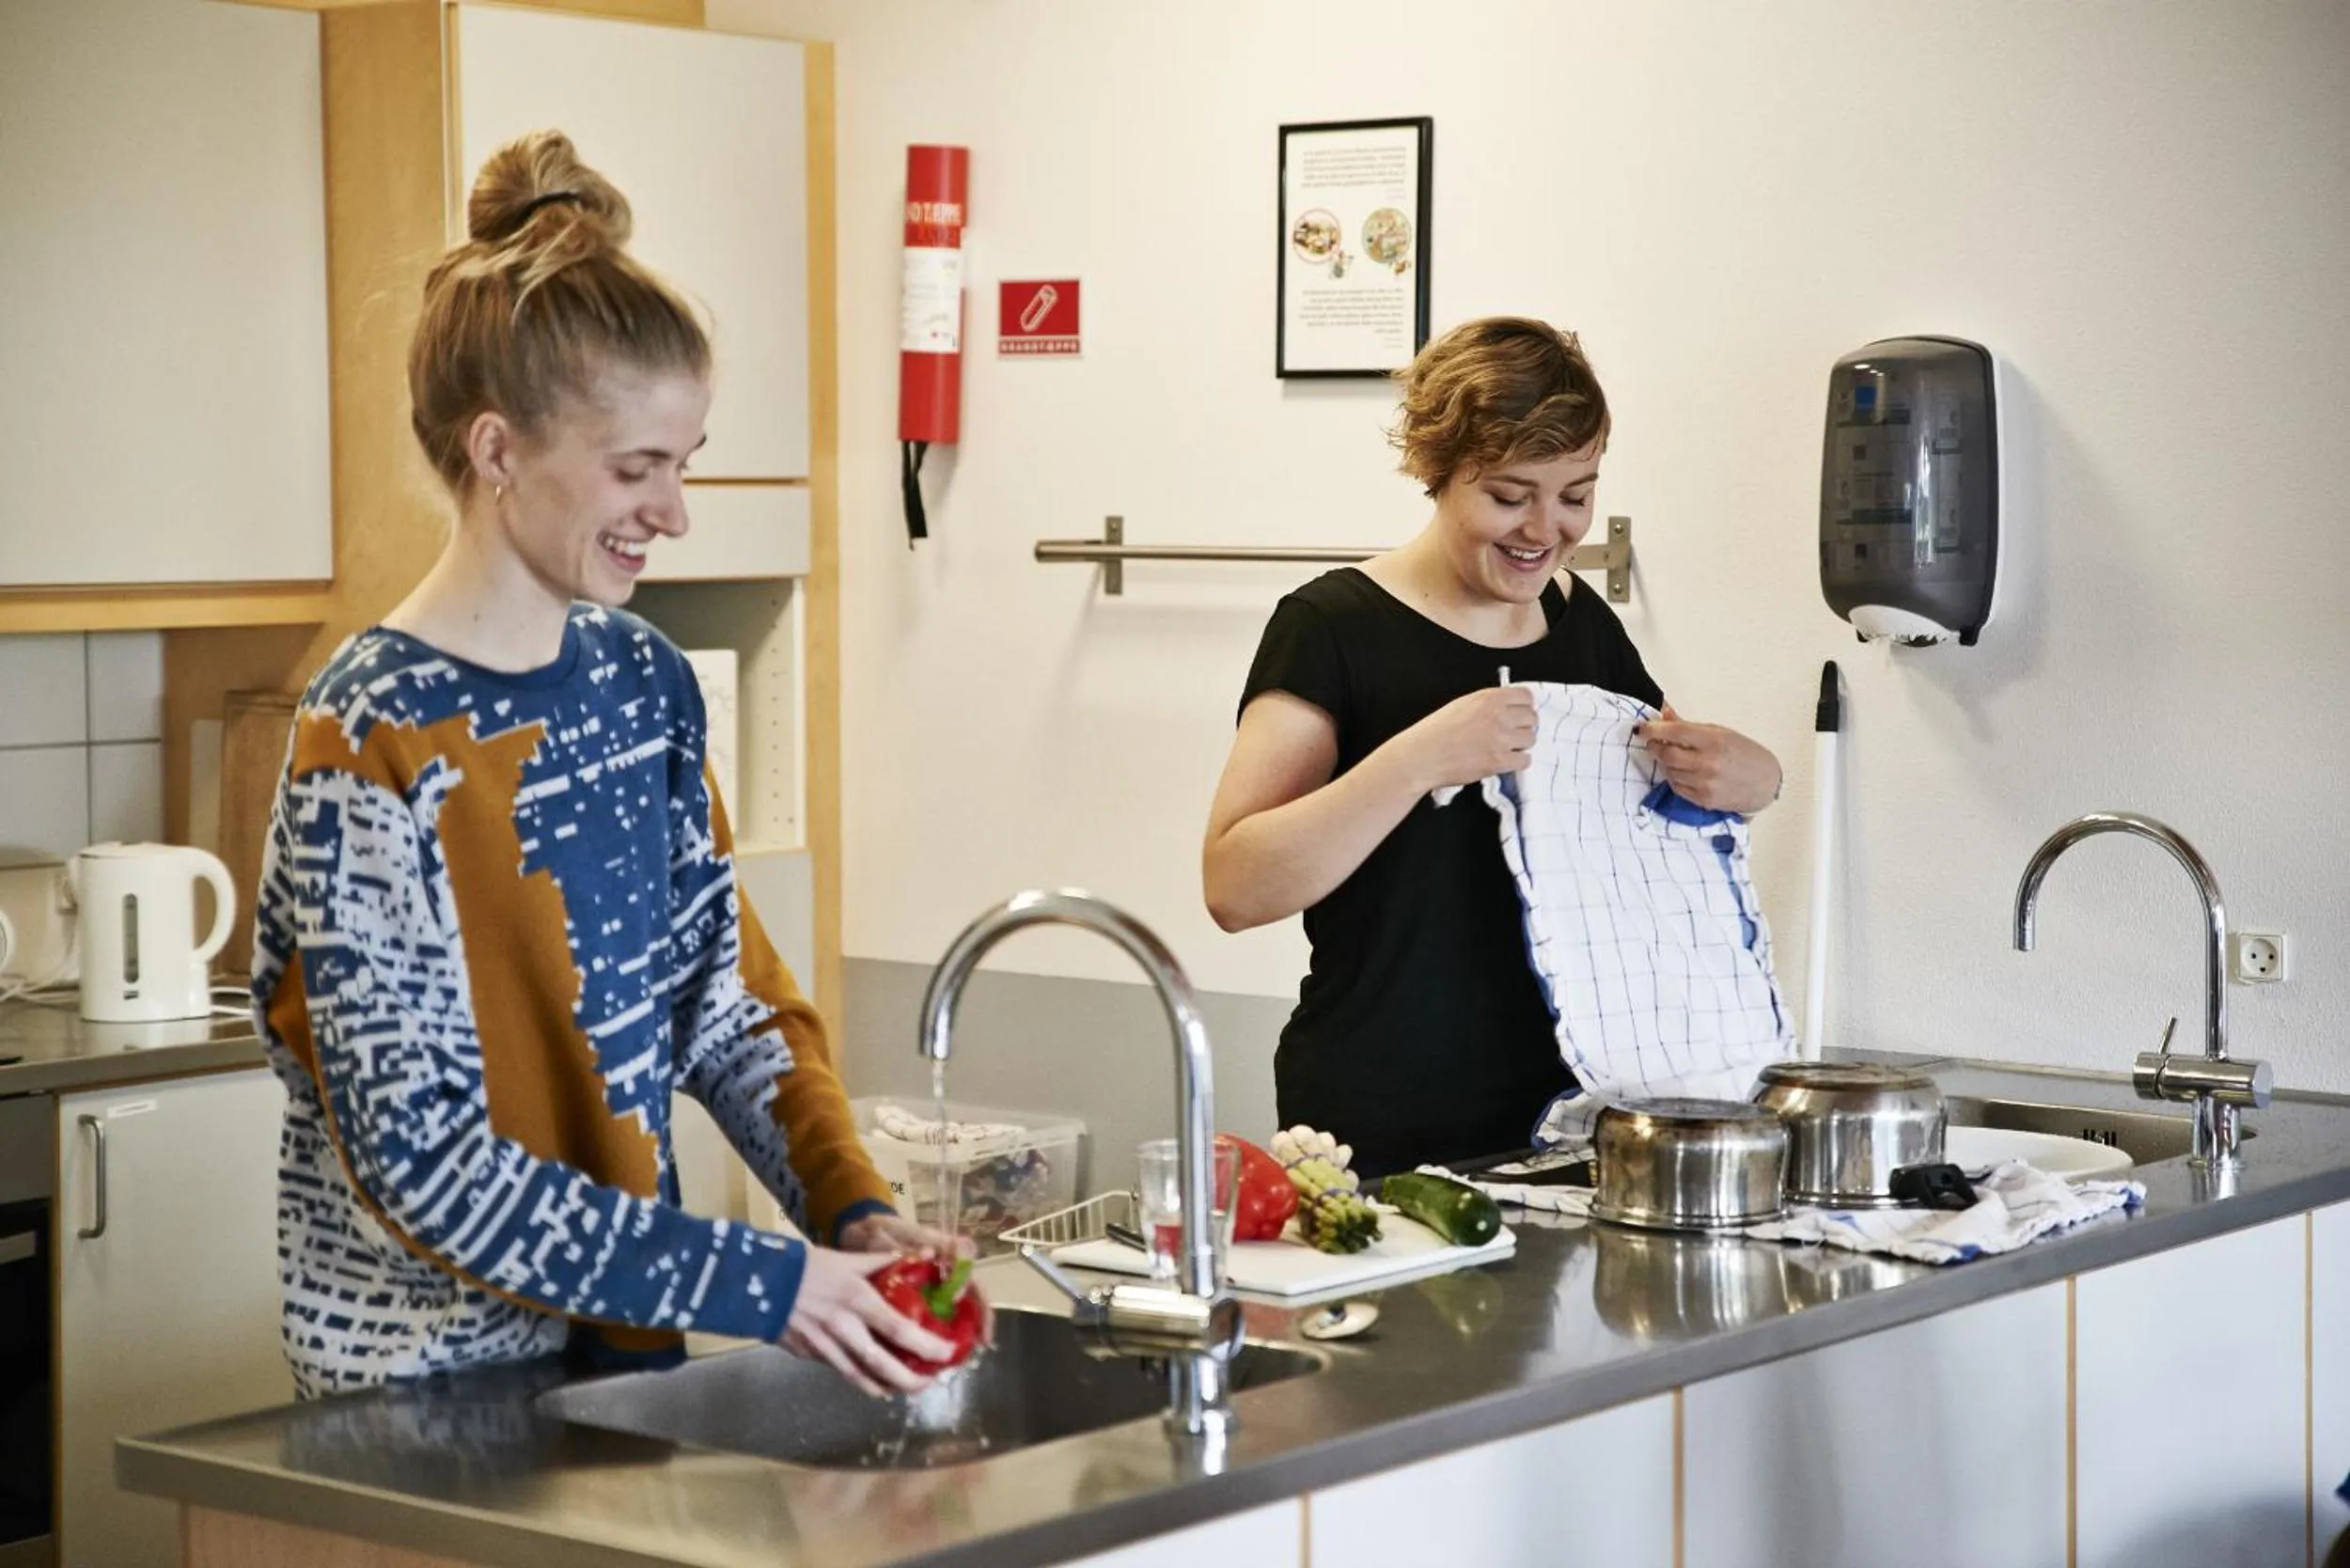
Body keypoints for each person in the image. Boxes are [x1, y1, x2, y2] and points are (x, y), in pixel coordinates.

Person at [252, 131, 962, 1400]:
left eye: (682, 465)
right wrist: (763, 1283)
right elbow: (422, 1165)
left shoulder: (644, 685)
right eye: (636, 469)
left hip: (623, 1369)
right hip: (417, 1397)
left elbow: (724, 1007)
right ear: (497, 451)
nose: (673, 511)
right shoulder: (366, 735)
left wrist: (848, 1208)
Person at [1202, 316, 1784, 1177]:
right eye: (1511, 496)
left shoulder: (1581, 623)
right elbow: (1235, 887)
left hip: (1577, 1117)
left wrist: (1756, 780)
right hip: (1385, 1121)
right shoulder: (1331, 627)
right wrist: (1417, 760)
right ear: (1437, 471)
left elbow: (1671, 804)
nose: (1544, 529)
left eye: (1575, 496)